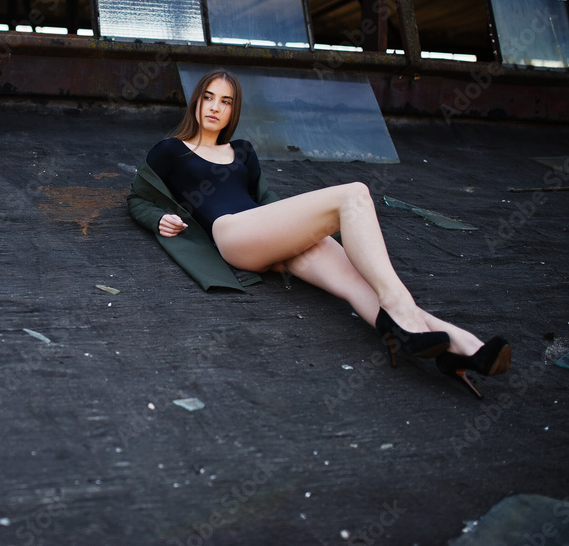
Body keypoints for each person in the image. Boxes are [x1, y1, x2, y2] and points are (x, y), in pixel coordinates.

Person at [127, 68, 510, 399]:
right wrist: (157, 218)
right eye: (208, 98)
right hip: (233, 235)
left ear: (233, 111)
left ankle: (462, 346)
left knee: (359, 282)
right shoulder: (171, 150)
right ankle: (406, 320)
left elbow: (266, 201)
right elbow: (137, 198)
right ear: (196, 102)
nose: (215, 107)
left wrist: (305, 229)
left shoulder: (242, 151)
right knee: (355, 194)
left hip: (269, 230)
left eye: (225, 102)